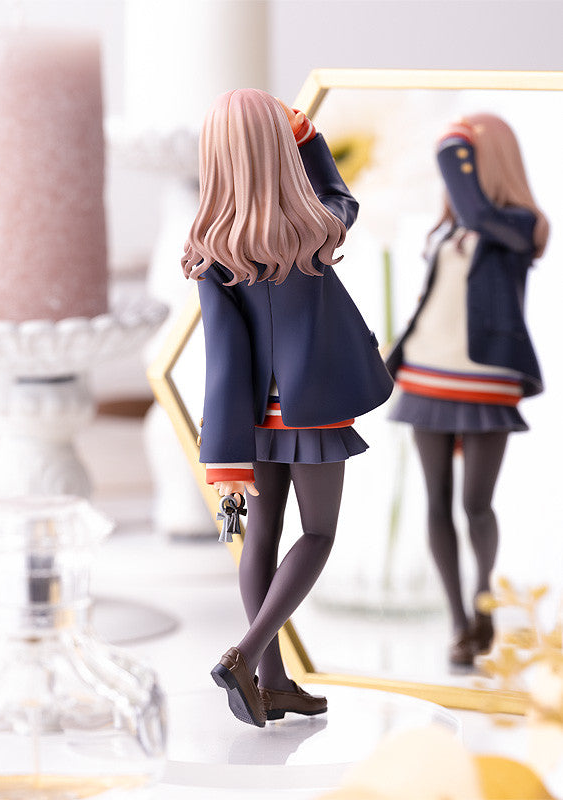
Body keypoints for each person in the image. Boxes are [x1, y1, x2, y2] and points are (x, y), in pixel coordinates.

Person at [181, 88, 393, 726]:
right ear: (282, 147)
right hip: (314, 408)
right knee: (318, 533)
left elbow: (223, 359)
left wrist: (225, 455)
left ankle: (271, 683)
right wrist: (308, 136)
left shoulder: (212, 248)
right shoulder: (314, 227)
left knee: (263, 535)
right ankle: (246, 657)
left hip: (253, 416)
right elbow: (340, 192)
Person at [386, 113, 549, 667]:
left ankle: (484, 605)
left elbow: (479, 210)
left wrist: (450, 141)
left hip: (486, 375)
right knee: (435, 501)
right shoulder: (447, 228)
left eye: (464, 156)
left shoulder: (521, 225)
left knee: (476, 504)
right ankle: (458, 621)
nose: (456, 170)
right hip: (426, 370)